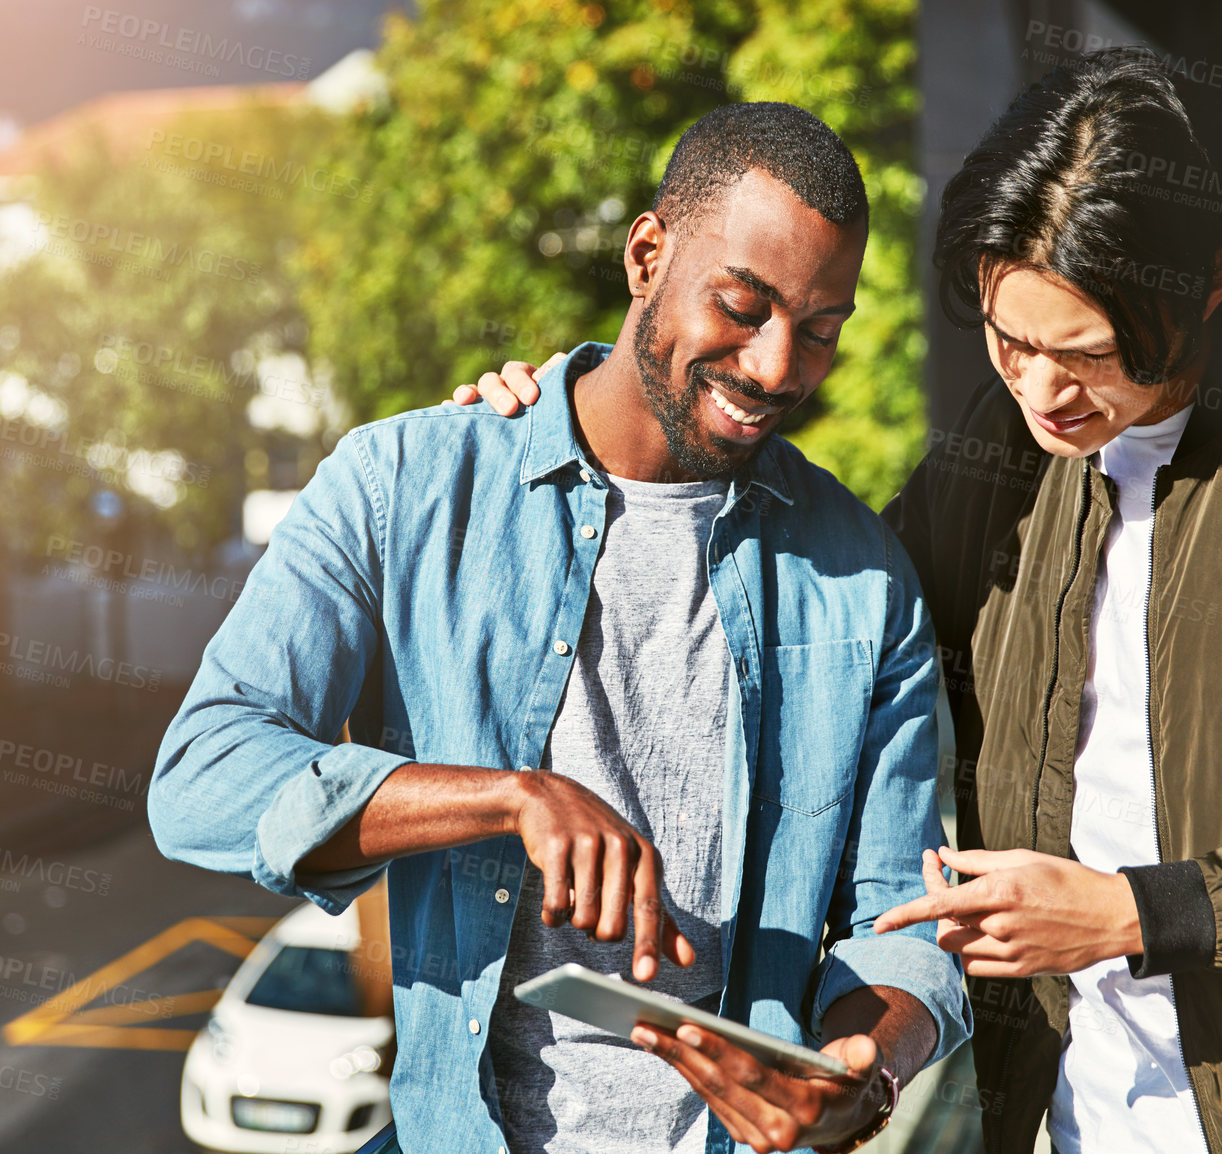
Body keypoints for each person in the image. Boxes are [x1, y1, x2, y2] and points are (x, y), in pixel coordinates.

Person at [457, 50, 1222, 1154]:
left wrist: (1139, 912)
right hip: (1054, 1115)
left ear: (1209, 280)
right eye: (1010, 339)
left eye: (1089, 354)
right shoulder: (1002, 450)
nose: (1043, 390)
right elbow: (826, 615)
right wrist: (554, 427)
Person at [150, 101, 969, 1154]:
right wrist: (504, 797)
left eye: (818, 329)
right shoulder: (403, 486)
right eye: (741, 304)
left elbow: (900, 916)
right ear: (646, 254)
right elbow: (203, 778)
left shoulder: (862, 578)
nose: (776, 368)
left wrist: (868, 1067)